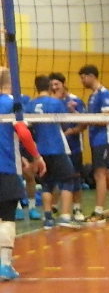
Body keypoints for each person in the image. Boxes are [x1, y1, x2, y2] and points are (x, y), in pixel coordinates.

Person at [0, 67, 46, 279]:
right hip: (5, 169)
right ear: (11, 82)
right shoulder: (11, 104)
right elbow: (23, 133)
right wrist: (36, 156)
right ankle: (4, 265)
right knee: (7, 217)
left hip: (8, 165)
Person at [27, 75, 80, 229]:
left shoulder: (30, 105)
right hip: (57, 148)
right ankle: (65, 216)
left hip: (40, 151)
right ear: (50, 87)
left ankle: (48, 218)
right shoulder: (56, 103)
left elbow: (28, 128)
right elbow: (64, 123)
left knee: (46, 184)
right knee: (68, 180)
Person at [78, 64, 109, 222]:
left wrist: (88, 119)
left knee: (99, 174)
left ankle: (98, 212)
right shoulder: (92, 96)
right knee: (106, 173)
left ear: (91, 76)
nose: (82, 81)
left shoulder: (104, 94)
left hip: (105, 139)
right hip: (96, 140)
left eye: (83, 77)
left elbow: (107, 117)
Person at [50, 73, 87, 223]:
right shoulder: (52, 102)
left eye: (57, 84)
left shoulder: (75, 100)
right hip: (57, 147)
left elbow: (84, 124)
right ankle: (54, 207)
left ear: (63, 84)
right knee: (56, 178)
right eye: (52, 85)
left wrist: (71, 131)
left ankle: (77, 208)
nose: (54, 87)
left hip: (74, 146)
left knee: (75, 177)